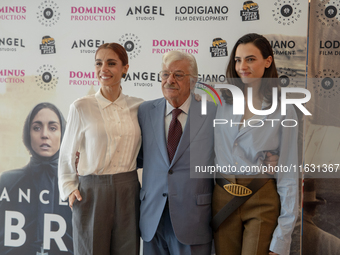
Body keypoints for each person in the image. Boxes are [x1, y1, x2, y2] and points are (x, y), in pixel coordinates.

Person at [212, 33, 299, 255]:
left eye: (250, 59)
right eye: (238, 60)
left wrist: (283, 236)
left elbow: (288, 171)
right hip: (222, 197)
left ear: (267, 61)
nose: (242, 66)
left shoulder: (284, 109)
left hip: (261, 196)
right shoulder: (219, 101)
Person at [58, 43, 142, 255]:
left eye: (111, 63)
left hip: (129, 189)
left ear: (125, 68)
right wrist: (69, 187)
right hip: (91, 191)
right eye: (99, 63)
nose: (103, 68)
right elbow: (67, 152)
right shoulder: (81, 107)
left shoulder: (140, 107)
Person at [138, 50, 216, 255]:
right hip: (153, 218)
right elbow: (132, 153)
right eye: (165, 74)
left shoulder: (213, 112)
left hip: (194, 218)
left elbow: (227, 152)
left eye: (178, 75)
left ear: (193, 81)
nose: (169, 80)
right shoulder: (144, 111)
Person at [0, 102, 73, 254]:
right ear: (28, 134)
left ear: (64, 134)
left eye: (53, 128)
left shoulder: (77, 186)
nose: (44, 134)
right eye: (37, 128)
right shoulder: (6, 182)